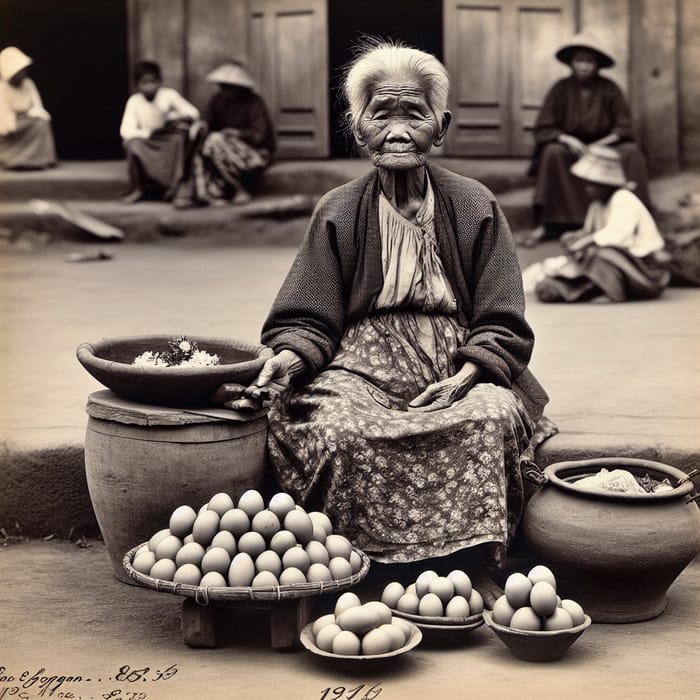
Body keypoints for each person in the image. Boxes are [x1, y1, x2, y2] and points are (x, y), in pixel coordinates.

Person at [212, 41, 555, 604]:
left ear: (440, 126)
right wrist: (290, 358)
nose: (397, 129)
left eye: (414, 113)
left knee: (492, 415)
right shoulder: (339, 210)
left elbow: (502, 317)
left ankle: (467, 562)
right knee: (338, 430)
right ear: (357, 126)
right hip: (357, 367)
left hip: (453, 366)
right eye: (381, 114)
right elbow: (306, 314)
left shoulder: (474, 205)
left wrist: (469, 375)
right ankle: (353, 567)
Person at [522, 29, 651, 247]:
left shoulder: (610, 89)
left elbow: (624, 127)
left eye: (589, 61)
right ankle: (548, 224)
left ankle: (635, 221)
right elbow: (544, 127)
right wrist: (567, 139)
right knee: (552, 153)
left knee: (632, 153)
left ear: (598, 65)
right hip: (571, 149)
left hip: (605, 147)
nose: (584, 66)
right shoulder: (560, 89)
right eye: (579, 60)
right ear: (571, 63)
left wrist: (598, 145)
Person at [531, 145, 670, 303]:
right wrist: (576, 236)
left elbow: (617, 236)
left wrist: (585, 241)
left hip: (645, 268)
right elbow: (592, 231)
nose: (588, 190)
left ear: (606, 185)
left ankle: (612, 292)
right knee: (571, 267)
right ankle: (585, 287)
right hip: (621, 263)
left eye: (593, 185)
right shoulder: (597, 205)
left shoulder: (623, 198)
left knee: (600, 254)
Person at [119, 60, 203, 206]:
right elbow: (125, 130)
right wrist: (147, 133)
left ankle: (175, 187)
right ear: (137, 84)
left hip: (168, 138)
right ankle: (138, 189)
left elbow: (193, 112)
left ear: (160, 81)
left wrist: (174, 116)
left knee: (179, 140)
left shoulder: (169, 95)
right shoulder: (134, 101)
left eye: (153, 81)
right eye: (144, 82)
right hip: (148, 139)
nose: (149, 86)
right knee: (132, 145)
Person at [193, 61, 276, 206]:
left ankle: (240, 189)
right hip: (223, 151)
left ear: (240, 88)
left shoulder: (254, 102)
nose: (225, 91)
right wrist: (201, 126)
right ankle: (208, 191)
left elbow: (260, 135)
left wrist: (237, 134)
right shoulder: (218, 100)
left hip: (254, 153)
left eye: (229, 88)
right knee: (206, 141)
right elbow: (208, 121)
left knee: (215, 141)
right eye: (223, 86)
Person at [0, 46, 56, 170]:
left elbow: (37, 106)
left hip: (27, 120)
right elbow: (4, 121)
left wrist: (36, 114)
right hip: (10, 126)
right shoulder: (2, 89)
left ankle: (38, 160)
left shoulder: (28, 84)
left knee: (41, 123)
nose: (23, 73)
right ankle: (13, 159)